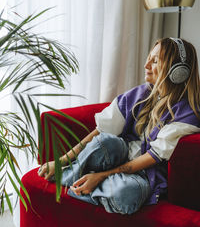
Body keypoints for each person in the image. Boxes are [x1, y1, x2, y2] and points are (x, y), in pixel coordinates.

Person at [38, 37, 200, 215]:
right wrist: (61, 161)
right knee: (105, 141)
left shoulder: (187, 113)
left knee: (127, 195)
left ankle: (82, 182)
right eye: (149, 57)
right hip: (119, 156)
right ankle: (70, 174)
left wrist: (100, 176)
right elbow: (102, 130)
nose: (146, 65)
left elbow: (153, 157)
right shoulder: (140, 94)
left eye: (155, 61)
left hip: (144, 174)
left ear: (178, 72)